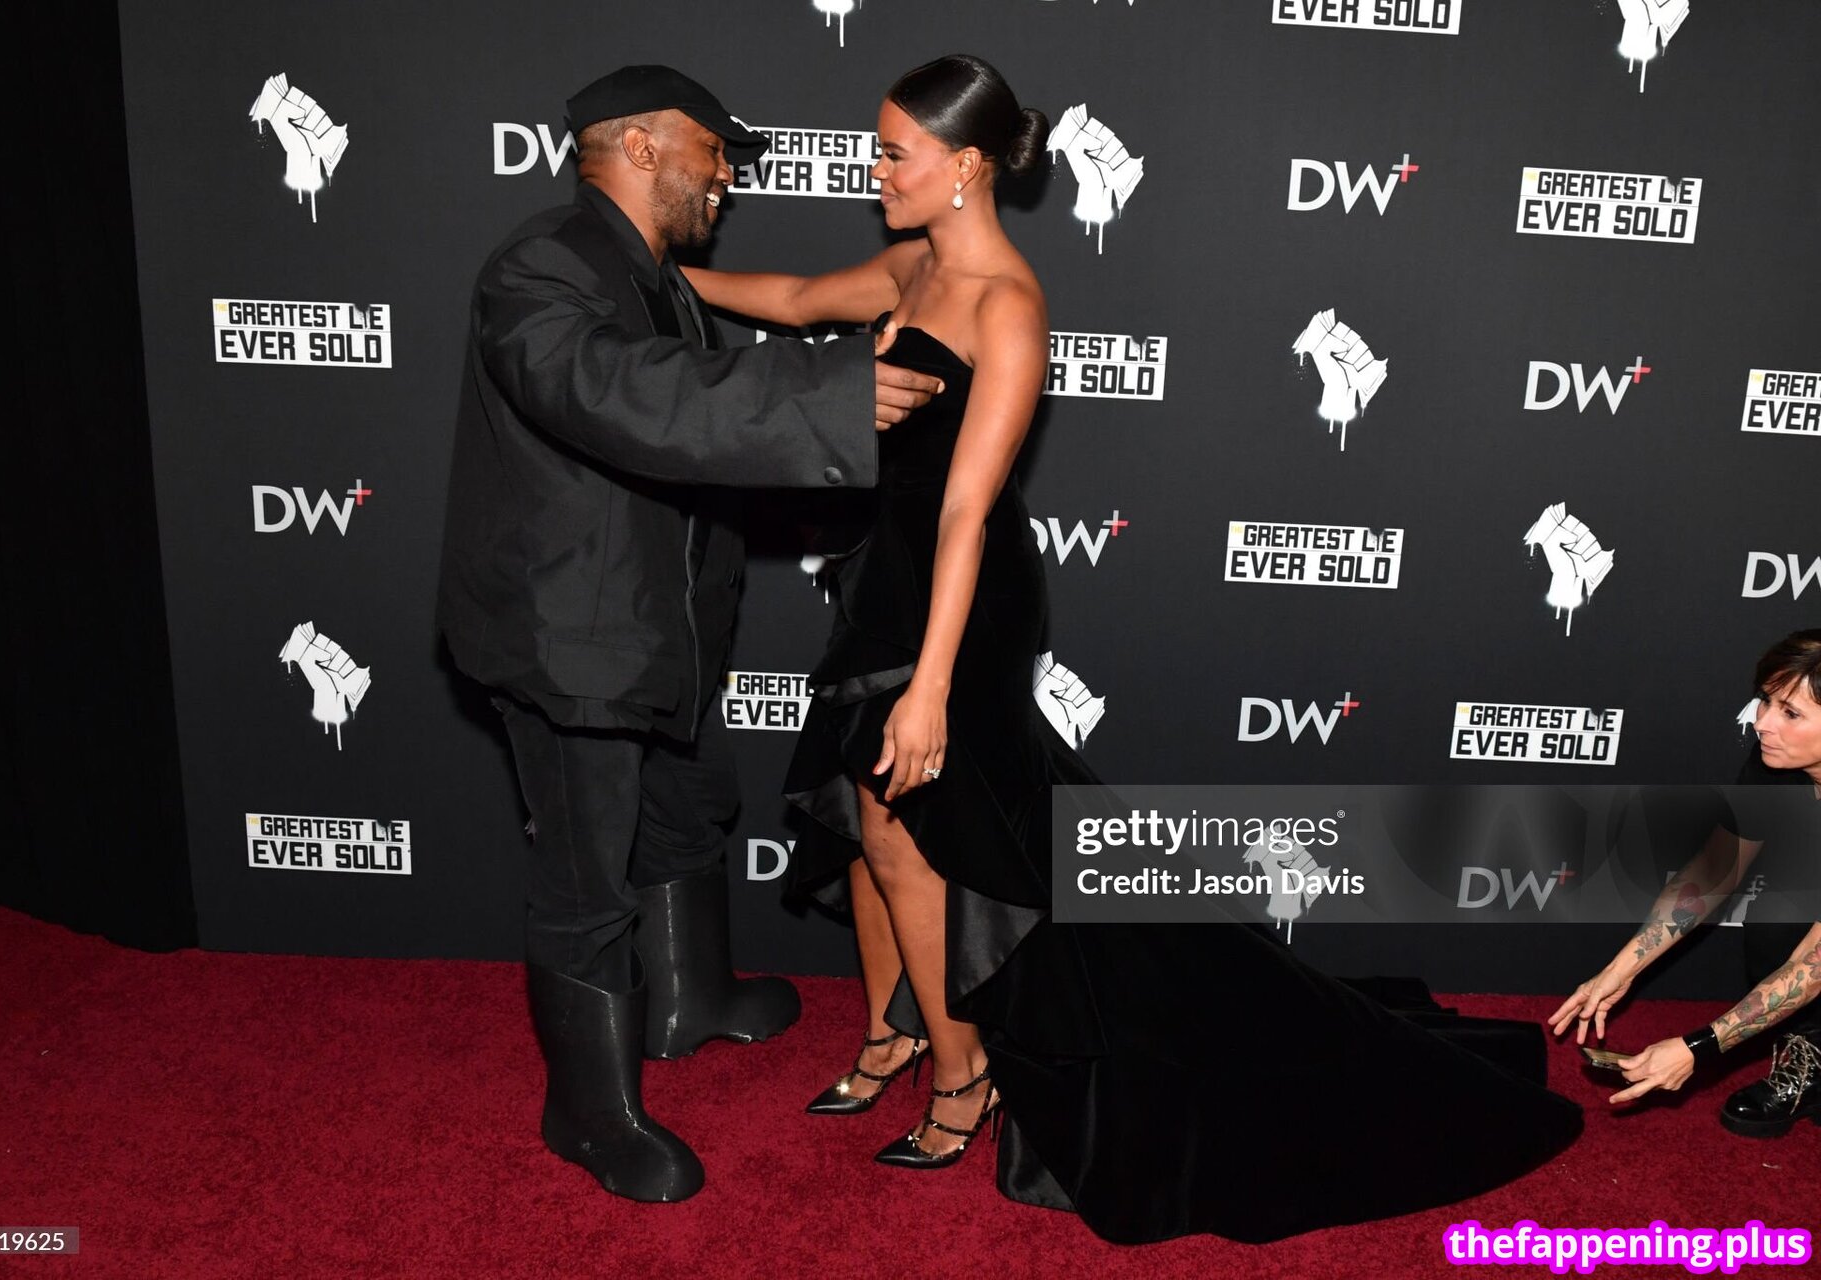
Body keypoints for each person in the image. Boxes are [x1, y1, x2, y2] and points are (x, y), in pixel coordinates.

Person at [690, 53, 1583, 1242]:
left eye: (895, 152)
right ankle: (893, 1030)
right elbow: (802, 299)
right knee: (870, 826)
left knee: (912, 831)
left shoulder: (1008, 307)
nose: (875, 169)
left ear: (966, 166)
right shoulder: (912, 264)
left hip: (962, 601)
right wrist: (660, 271)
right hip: (882, 582)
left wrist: (935, 685)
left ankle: (965, 1072)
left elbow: (967, 510)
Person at [435, 64, 945, 1204]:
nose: (729, 176)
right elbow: (616, 390)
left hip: (656, 621)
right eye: (715, 151)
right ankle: (589, 1113)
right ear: (644, 146)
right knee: (587, 874)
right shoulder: (540, 266)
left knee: (683, 808)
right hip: (568, 634)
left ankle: (688, 999)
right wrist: (822, 397)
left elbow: (693, 401)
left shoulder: (653, 274)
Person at [1551, 630, 1821, 1136]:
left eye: (1790, 713)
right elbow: (1716, 870)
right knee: (1777, 919)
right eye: (1766, 702)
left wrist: (1699, 1048)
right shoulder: (1776, 766)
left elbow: (1816, 963)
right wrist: (1621, 969)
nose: (1762, 722)